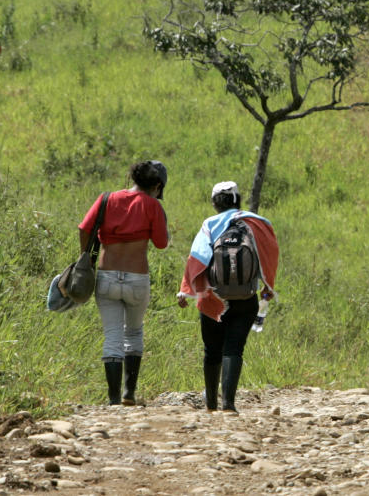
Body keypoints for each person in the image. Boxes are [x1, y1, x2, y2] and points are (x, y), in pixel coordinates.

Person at [178, 181, 278, 413]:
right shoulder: (258, 222)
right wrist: (268, 288)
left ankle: (211, 404)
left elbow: (198, 258)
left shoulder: (210, 224)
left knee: (212, 351)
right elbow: (269, 256)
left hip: (213, 299)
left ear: (214, 203)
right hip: (245, 298)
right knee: (234, 349)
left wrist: (185, 290)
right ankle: (229, 404)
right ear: (238, 199)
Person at [79, 160, 169, 406]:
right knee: (134, 331)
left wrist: (86, 258)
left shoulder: (107, 198)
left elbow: (84, 229)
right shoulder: (153, 206)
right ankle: (130, 392)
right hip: (137, 278)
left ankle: (114, 399)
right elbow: (161, 243)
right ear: (158, 186)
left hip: (106, 275)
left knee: (112, 336)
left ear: (133, 179)